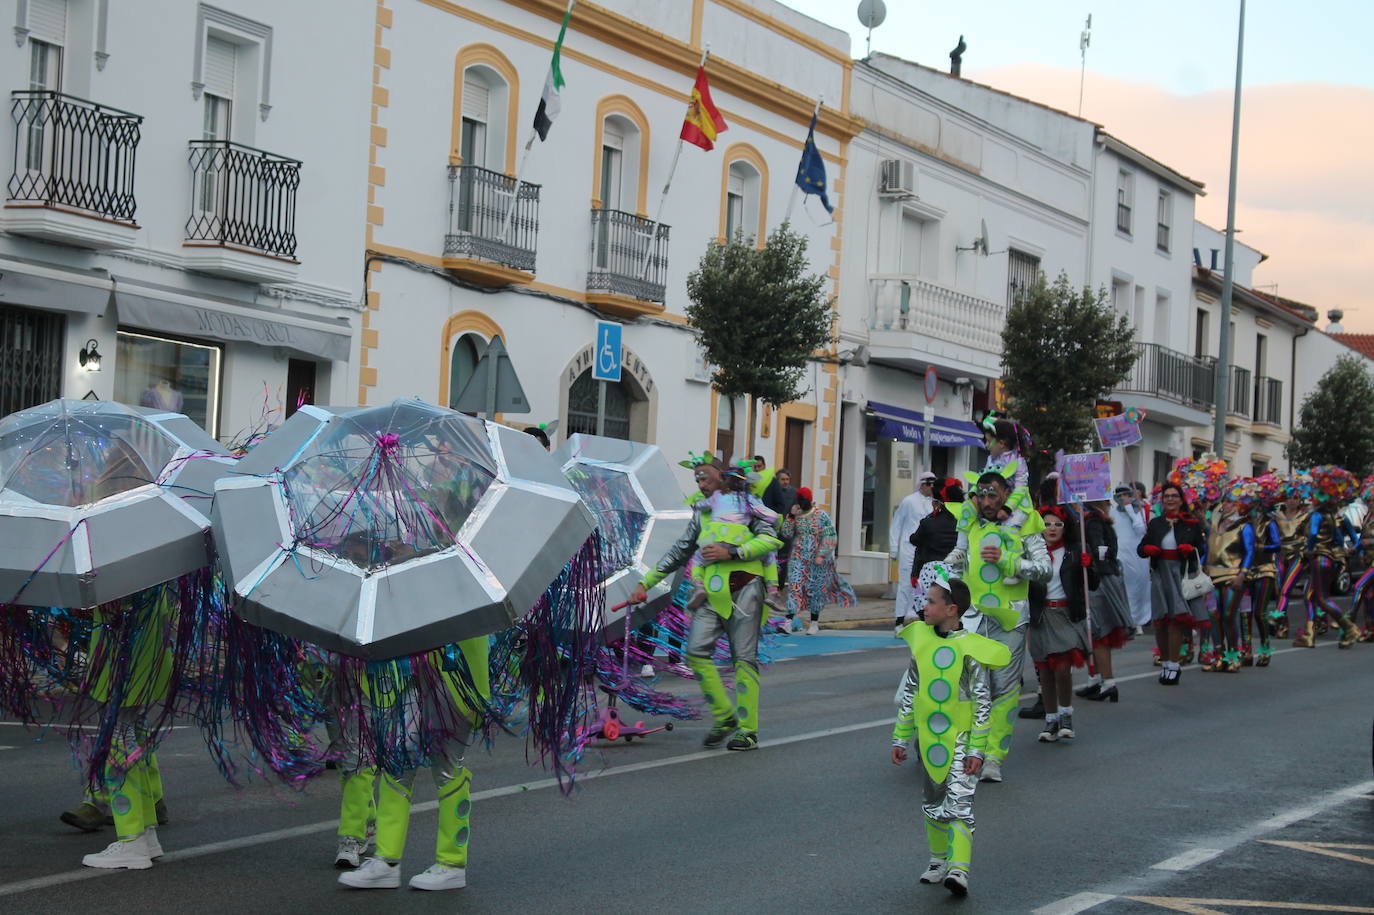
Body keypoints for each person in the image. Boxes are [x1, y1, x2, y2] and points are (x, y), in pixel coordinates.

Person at [631, 459, 782, 751]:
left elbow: (771, 539)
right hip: (710, 594)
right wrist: (645, 584)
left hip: (745, 589)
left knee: (743, 659)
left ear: (723, 479)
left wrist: (733, 552)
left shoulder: (748, 505)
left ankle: (748, 729)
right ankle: (725, 717)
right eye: (697, 481)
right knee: (696, 653)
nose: (700, 486)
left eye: (705, 479)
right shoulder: (702, 514)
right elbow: (680, 551)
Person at [891, 570, 1011, 898]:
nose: (924, 607)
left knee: (959, 803)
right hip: (929, 740)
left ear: (951, 609)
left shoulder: (970, 650)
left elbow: (983, 702)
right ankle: (938, 860)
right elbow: (912, 692)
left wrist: (976, 749)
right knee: (932, 803)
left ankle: (959, 869)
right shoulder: (921, 640)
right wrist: (901, 738)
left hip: (961, 737)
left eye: (931, 602)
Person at [337, 638, 488, 891]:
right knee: (397, 761)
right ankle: (386, 862)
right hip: (406, 674)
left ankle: (452, 864)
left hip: (453, 673)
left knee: (447, 767)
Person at [941, 471, 1050, 783]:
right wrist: (940, 573)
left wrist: (1009, 562)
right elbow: (959, 555)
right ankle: (966, 750)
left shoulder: (1026, 522)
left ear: (1006, 493)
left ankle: (993, 757)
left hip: (1010, 619)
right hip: (972, 617)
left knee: (1003, 689)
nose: (987, 502)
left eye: (994, 495)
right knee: (968, 686)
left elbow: (1044, 570)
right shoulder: (971, 521)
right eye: (982, 495)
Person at [1027, 506, 1093, 742]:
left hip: (1066, 614)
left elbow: (1092, 584)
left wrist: (1089, 565)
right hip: (1040, 615)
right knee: (1044, 670)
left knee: (1063, 669)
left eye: (1057, 524)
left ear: (1065, 528)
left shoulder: (1075, 551)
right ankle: (1051, 719)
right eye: (1047, 524)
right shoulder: (1032, 552)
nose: (1052, 529)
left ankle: (1066, 715)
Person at [1138, 484, 1208, 685]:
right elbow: (1141, 549)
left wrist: (1190, 549)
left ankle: (1174, 665)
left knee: (1176, 621)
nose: (1170, 499)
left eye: (1174, 496)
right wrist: (1148, 549)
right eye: (1166, 496)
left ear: (1180, 499)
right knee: (1161, 621)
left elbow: (1201, 550)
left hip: (1180, 573)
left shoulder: (1191, 523)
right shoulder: (1156, 523)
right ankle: (1165, 662)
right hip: (1160, 574)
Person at [1075, 500, 1134, 701]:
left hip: (1098, 581)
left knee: (1099, 632)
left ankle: (1108, 682)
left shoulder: (1092, 522)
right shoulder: (1098, 520)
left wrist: (1091, 560)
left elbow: (1100, 549)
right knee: (1095, 633)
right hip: (1105, 577)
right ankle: (1096, 679)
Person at [781, 488, 856, 635]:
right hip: (799, 557)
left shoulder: (821, 515)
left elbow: (830, 535)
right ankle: (788, 622)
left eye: (802, 500)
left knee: (816, 591)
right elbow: (786, 533)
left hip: (817, 561)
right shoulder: (796, 515)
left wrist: (822, 554)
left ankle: (814, 622)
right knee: (794, 586)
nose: (800, 503)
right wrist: (790, 516)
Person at [1295, 493, 1361, 649]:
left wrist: (1309, 550)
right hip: (1329, 558)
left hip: (1320, 558)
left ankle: (1349, 627)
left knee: (1322, 598)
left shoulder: (1318, 515)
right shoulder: (1331, 515)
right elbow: (1337, 539)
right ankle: (1309, 634)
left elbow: (1312, 534)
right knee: (1309, 595)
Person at [908, 479, 964, 618]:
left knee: (927, 611)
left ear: (938, 503)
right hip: (960, 573)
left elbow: (916, 541)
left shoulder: (929, 522)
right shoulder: (966, 521)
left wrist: (914, 574)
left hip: (931, 573)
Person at [890, 471, 938, 630]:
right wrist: (893, 548)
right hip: (908, 548)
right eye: (928, 484)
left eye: (933, 484)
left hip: (927, 550)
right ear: (922, 484)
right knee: (905, 585)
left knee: (926, 585)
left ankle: (922, 618)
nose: (931, 487)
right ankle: (899, 621)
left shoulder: (936, 503)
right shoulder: (909, 501)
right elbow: (896, 524)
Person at [1111, 484, 1151, 627]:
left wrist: (1130, 510)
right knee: (1121, 587)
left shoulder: (1138, 511)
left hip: (1135, 557)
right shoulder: (1112, 512)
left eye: (1125, 495)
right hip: (1119, 554)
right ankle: (1123, 619)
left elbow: (1140, 529)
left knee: (1135, 588)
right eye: (1120, 496)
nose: (1123, 499)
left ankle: (1135, 620)